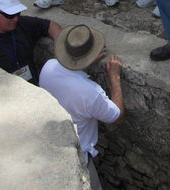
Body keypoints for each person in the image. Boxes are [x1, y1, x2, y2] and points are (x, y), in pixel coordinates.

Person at [39, 24, 124, 189]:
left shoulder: (48, 67)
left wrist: (86, 59)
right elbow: (117, 117)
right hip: (78, 158)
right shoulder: (89, 92)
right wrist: (115, 78)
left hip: (52, 149)